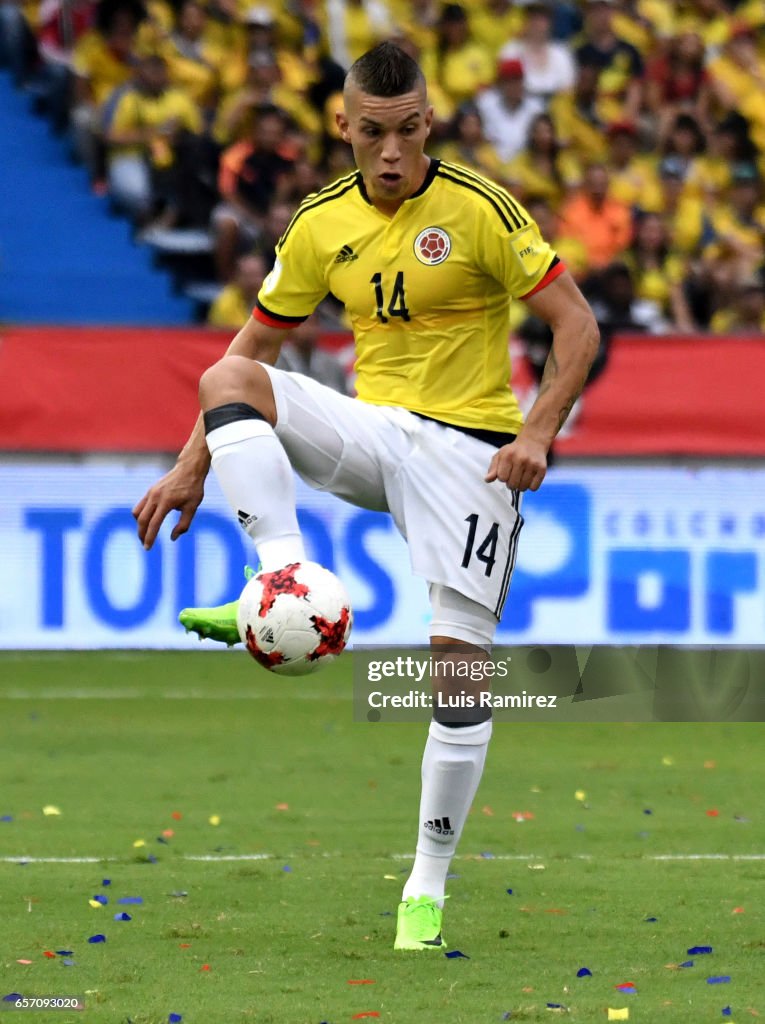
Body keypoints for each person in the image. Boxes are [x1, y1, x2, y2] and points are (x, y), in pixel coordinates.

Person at [133, 41, 598, 952]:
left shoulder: (478, 209)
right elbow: (257, 348)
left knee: (457, 677)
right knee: (229, 375)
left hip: (470, 453)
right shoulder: (317, 223)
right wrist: (191, 464)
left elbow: (574, 323)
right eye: (374, 133)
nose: (392, 153)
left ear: (430, 123)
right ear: (343, 126)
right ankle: (281, 579)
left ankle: (424, 887)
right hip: (372, 430)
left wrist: (538, 431)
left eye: (409, 131)